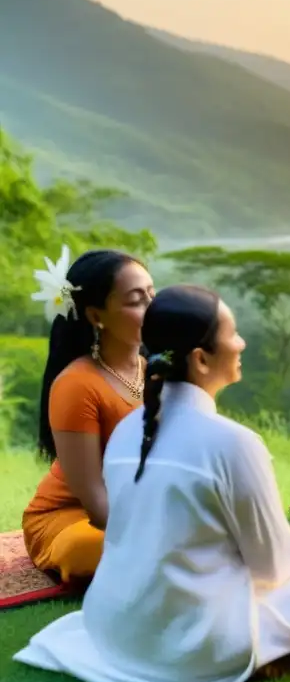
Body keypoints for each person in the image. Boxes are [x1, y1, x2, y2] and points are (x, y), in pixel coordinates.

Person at [13, 285, 290, 682]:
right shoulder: (234, 443)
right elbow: (273, 568)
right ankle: (256, 655)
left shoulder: (125, 434)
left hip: (113, 632)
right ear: (202, 359)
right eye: (233, 333)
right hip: (196, 651)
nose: (241, 343)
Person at [22, 245, 154, 583]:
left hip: (141, 508)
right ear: (96, 316)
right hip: (74, 517)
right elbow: (95, 501)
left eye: (153, 296)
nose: (153, 309)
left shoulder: (160, 371)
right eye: (137, 300)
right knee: (93, 548)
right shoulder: (77, 384)